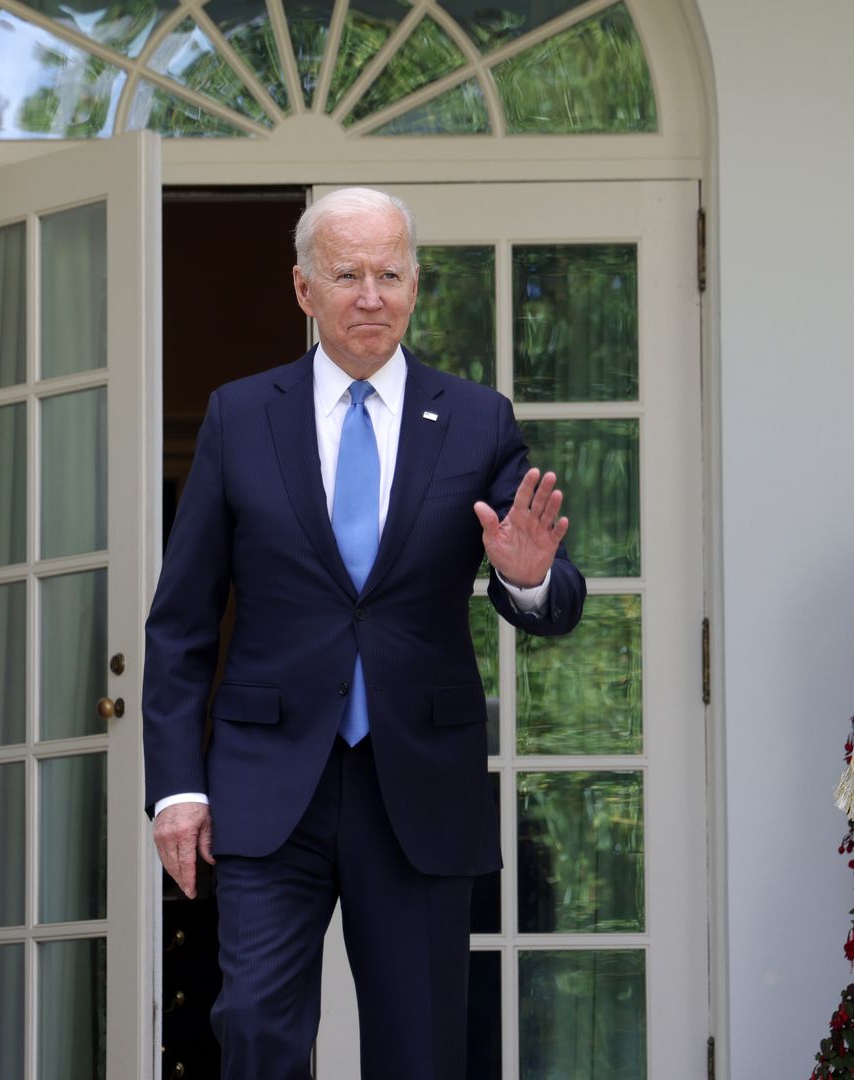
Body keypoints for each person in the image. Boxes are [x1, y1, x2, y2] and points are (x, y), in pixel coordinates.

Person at [143, 186, 586, 1079]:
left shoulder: (476, 419)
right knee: (258, 1032)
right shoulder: (239, 416)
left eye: (390, 274)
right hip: (271, 784)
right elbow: (181, 621)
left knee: (419, 1047)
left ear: (416, 286)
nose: (371, 295)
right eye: (348, 275)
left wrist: (527, 575)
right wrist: (176, 789)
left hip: (417, 781)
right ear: (304, 289)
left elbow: (550, 587)